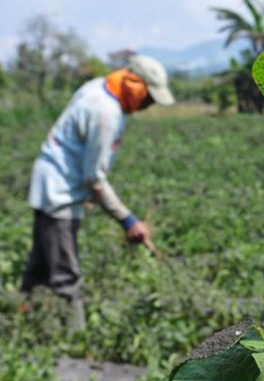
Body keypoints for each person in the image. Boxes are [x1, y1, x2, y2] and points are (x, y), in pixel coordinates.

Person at [21, 54, 175, 332]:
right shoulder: (106, 113)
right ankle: (75, 339)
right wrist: (128, 220)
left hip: (54, 181)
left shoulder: (98, 87)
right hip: (60, 192)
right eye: (149, 98)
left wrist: (89, 195)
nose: (147, 105)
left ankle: (21, 320)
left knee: (41, 264)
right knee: (65, 275)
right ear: (135, 86)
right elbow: (94, 177)